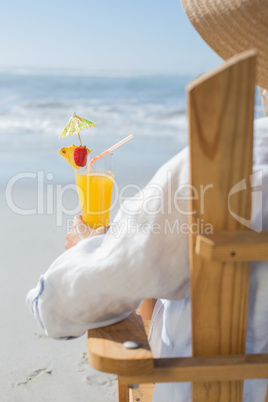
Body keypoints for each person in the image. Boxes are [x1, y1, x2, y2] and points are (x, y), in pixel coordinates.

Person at [27, 0, 268, 400]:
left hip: (215, 386)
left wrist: (85, 250)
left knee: (149, 257)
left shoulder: (237, 163)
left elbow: (66, 307)